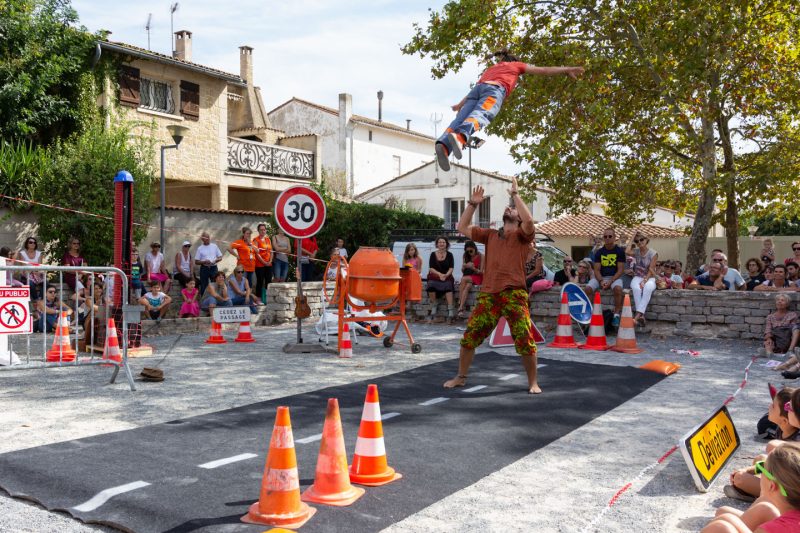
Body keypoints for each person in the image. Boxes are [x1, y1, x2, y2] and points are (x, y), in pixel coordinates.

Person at [445, 178, 541, 394]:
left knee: (525, 339)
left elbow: (529, 221)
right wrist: (472, 204)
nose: (510, 209)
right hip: (489, 294)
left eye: (514, 209)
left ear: (517, 218)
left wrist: (516, 196)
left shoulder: (523, 236)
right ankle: (460, 377)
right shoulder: (490, 235)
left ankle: (532, 382)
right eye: (509, 207)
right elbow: (461, 227)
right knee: (470, 337)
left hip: (514, 294)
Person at [434, 49, 584, 171]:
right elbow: (543, 70)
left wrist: (460, 105)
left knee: (459, 119)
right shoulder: (517, 65)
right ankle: (461, 137)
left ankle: (444, 146)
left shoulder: (491, 68)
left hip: (477, 90)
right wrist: (567, 69)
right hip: (494, 91)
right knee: (482, 113)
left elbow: (475, 90)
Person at [722, 388, 799, 503]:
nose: (769, 406)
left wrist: (748, 474)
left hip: (789, 493)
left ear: (784, 420)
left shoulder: (796, 440)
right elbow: (773, 464)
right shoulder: (780, 430)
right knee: (760, 459)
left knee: (740, 479)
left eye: (789, 407)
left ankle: (762, 496)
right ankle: (758, 489)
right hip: (782, 479)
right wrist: (749, 470)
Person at [702, 443, 800, 532]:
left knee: (720, 526)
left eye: (762, 470)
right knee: (726, 515)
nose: (760, 473)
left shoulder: (771, 530)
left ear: (771, 486)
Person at [584, 227, 626, 326]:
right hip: (601, 277)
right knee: (588, 288)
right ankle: (590, 314)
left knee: (618, 289)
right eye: (605, 236)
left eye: (610, 236)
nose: (607, 238)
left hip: (614, 277)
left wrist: (611, 281)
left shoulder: (619, 251)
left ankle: (616, 314)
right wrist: (601, 281)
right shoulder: (599, 252)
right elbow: (596, 270)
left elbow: (620, 270)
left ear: (614, 237)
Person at [629, 233, 658, 326]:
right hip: (638, 276)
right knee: (636, 289)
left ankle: (637, 316)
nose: (639, 242)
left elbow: (651, 269)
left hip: (650, 277)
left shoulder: (653, 253)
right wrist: (632, 238)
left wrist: (645, 281)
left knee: (647, 288)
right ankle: (641, 317)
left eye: (642, 240)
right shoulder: (636, 251)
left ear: (646, 240)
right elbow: (626, 251)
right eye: (637, 241)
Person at [426, 236, 456, 324]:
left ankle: (450, 310)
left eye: (443, 242)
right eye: (440, 242)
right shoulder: (432, 254)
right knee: (430, 285)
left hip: (447, 276)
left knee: (448, 285)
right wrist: (439, 275)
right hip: (436, 276)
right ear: (437, 244)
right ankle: (434, 304)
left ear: (446, 244)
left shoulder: (450, 255)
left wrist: (446, 275)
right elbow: (431, 268)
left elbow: (451, 268)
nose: (442, 244)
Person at [762, 293, 800, 357]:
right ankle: (770, 353)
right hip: (776, 339)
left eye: (782, 300)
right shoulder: (770, 317)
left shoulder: (792, 315)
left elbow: (792, 328)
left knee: (796, 328)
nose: (779, 301)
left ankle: (790, 351)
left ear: (787, 304)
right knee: (767, 342)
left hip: (788, 339)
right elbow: (768, 330)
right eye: (778, 300)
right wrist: (769, 339)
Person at [456, 240, 483, 319]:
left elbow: (481, 272)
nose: (470, 252)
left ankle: (459, 302)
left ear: (475, 248)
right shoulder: (465, 256)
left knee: (463, 279)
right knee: (467, 287)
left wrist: (473, 268)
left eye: (471, 250)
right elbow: (462, 271)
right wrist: (464, 266)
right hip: (468, 276)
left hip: (477, 276)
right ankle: (461, 308)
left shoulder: (481, 256)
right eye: (468, 251)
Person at [195, 232, 223, 296]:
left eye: (208, 237)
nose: (207, 239)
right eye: (205, 238)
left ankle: (216, 299)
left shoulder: (214, 246)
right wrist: (204, 261)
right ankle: (204, 301)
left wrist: (216, 260)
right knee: (204, 285)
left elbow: (220, 257)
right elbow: (196, 261)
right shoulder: (200, 248)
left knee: (215, 284)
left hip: (213, 267)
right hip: (204, 268)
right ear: (202, 239)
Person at [253, 223, 273, 302]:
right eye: (261, 230)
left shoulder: (268, 239)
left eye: (264, 229)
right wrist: (264, 262)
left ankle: (269, 298)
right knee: (260, 281)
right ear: (258, 231)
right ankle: (259, 298)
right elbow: (257, 253)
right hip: (260, 264)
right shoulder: (256, 239)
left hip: (269, 264)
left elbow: (271, 251)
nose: (263, 231)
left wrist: (270, 261)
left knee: (269, 281)